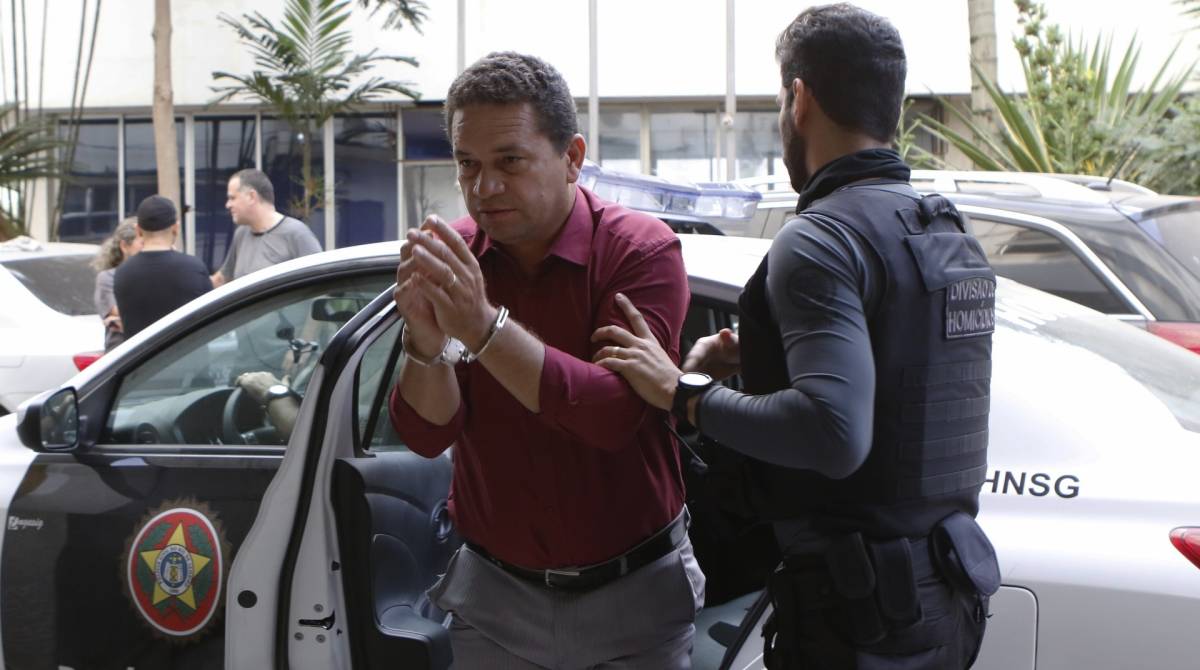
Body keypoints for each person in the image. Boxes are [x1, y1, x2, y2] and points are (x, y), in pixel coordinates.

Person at [592, 5, 1000, 668]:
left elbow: (834, 434)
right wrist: (766, 362)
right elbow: (903, 392)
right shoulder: (942, 231)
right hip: (943, 600)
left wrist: (682, 392)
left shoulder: (820, 239)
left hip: (856, 617)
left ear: (799, 97)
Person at [388, 52, 703, 668]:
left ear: (573, 158)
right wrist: (425, 344)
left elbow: (613, 416)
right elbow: (427, 434)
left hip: (633, 596)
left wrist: (482, 328)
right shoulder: (459, 256)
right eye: (467, 165)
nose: (485, 187)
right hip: (494, 598)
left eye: (510, 160)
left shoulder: (639, 252)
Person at [114, 195, 212, 340]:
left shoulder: (122, 273)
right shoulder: (194, 268)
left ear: (138, 230)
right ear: (176, 228)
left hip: (143, 361)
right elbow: (211, 316)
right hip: (191, 360)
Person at [210, 168, 322, 287]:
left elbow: (320, 280)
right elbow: (223, 279)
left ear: (251, 196)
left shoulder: (296, 233)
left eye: (233, 198)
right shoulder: (241, 234)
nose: (228, 205)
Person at [91, 217, 142, 351]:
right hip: (121, 353)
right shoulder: (108, 277)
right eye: (142, 243)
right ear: (124, 246)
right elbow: (119, 310)